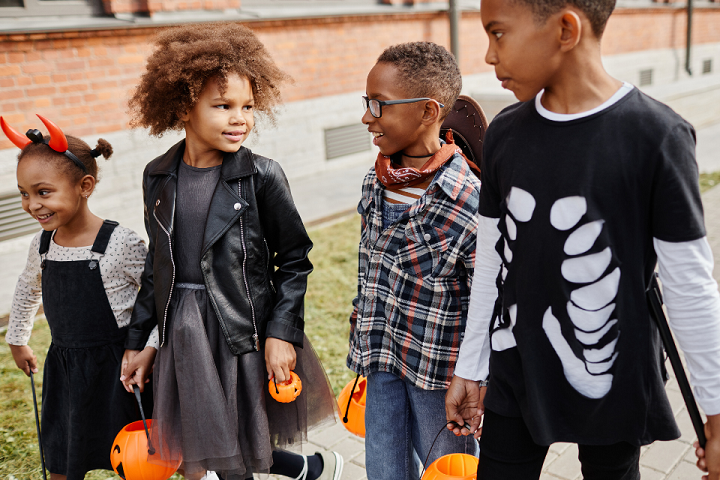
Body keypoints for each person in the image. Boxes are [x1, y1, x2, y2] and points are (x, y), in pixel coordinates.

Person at [444, 0, 720, 479]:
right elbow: (491, 261)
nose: (488, 56)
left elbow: (690, 288)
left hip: (615, 370)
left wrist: (716, 418)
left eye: (499, 34)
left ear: (565, 29)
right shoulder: (505, 134)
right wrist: (471, 367)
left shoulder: (657, 136)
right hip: (517, 363)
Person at [119, 23, 340, 480]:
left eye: (248, 106)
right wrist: (141, 342)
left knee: (239, 447)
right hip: (184, 332)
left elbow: (295, 259)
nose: (240, 117)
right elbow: (156, 267)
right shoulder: (157, 177)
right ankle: (305, 471)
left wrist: (282, 333)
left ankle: (303, 469)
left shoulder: (262, 176)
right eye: (223, 106)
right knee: (194, 448)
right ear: (184, 106)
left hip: (241, 329)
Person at [348, 42, 482, 480]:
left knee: (450, 473)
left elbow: (490, 301)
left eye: (379, 105)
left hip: (439, 379)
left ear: (427, 111)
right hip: (381, 361)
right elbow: (370, 268)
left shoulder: (466, 199)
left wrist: (478, 377)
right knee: (384, 471)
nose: (367, 116)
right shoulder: (375, 180)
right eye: (366, 103)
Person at [3, 115, 155, 480]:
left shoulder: (120, 242)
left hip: (120, 370)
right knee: (63, 455)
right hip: (66, 370)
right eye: (24, 194)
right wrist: (18, 339)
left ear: (84, 186)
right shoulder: (42, 244)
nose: (32, 205)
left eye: (43, 192)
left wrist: (150, 348)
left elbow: (161, 298)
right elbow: (28, 287)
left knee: (139, 460)